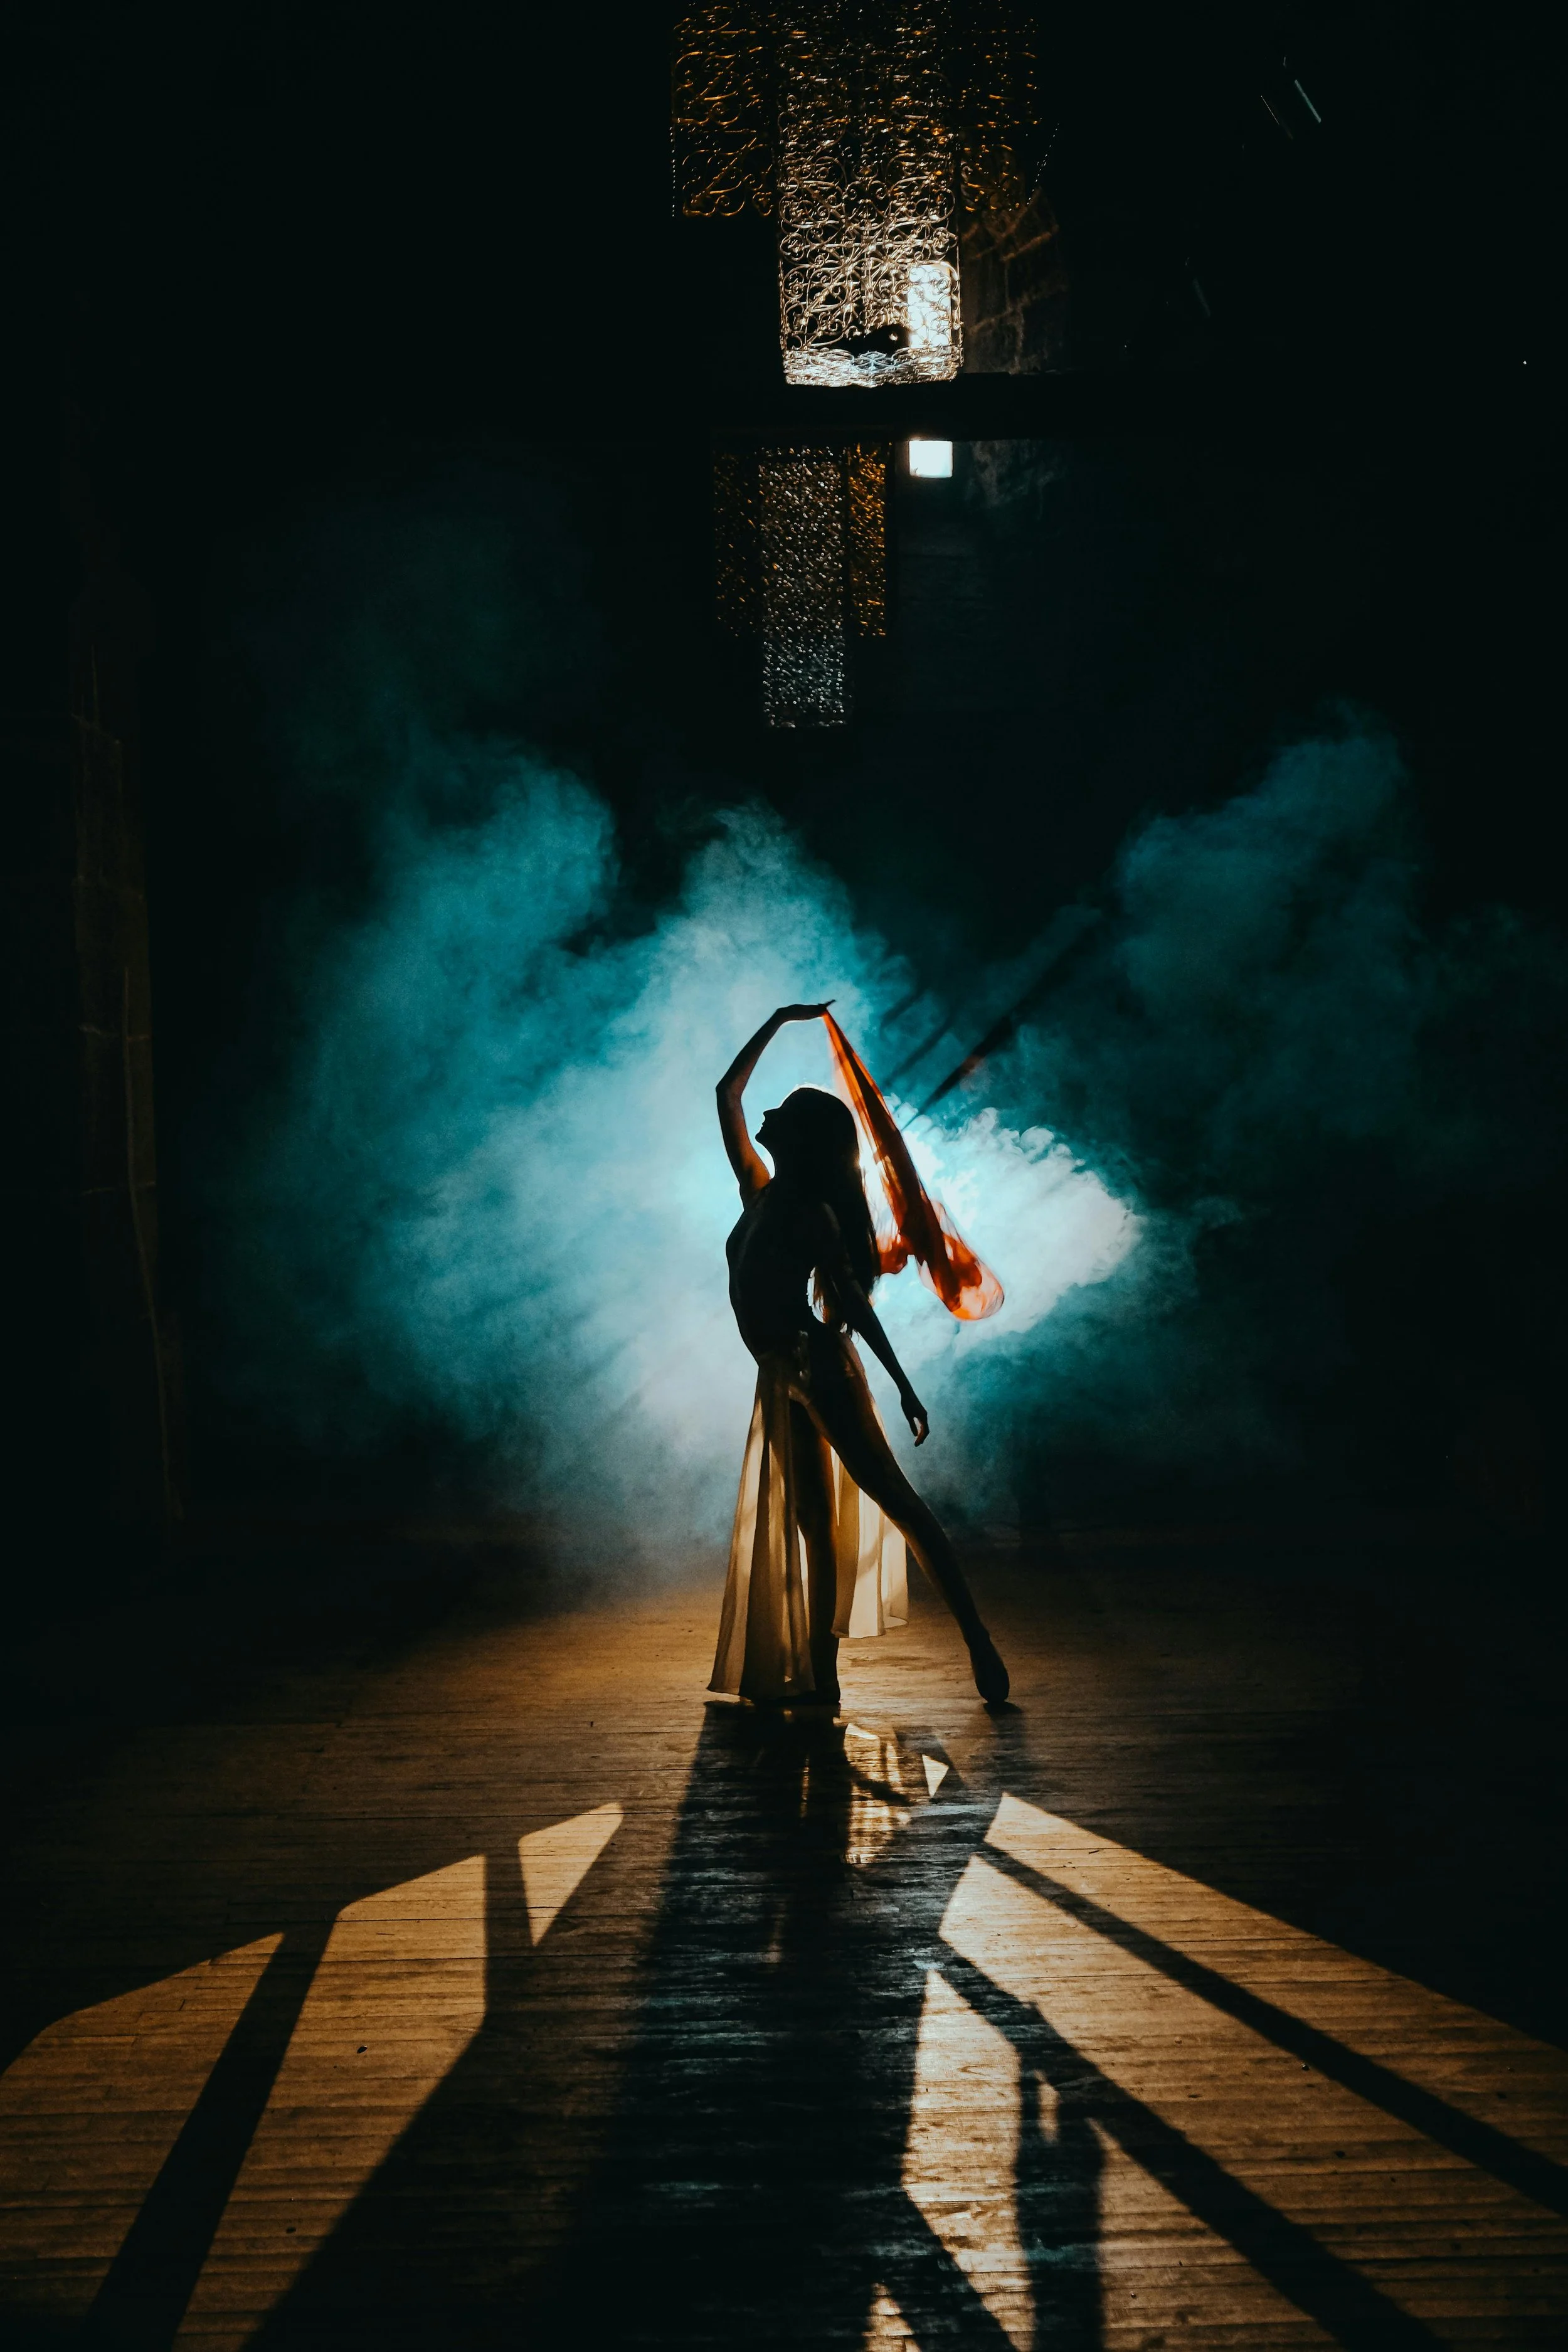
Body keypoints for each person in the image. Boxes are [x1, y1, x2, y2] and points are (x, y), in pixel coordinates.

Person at [710, 1001, 1010, 1709]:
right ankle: (824, 1680)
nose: (768, 1113)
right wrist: (780, 1021)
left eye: (784, 1109)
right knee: (814, 1524)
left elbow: (851, 1304)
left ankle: (977, 1639)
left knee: (897, 1501)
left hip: (817, 1366)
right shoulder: (758, 1191)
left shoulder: (809, 1214)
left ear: (803, 1138)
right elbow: (726, 1095)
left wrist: (902, 1386)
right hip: (779, 1375)